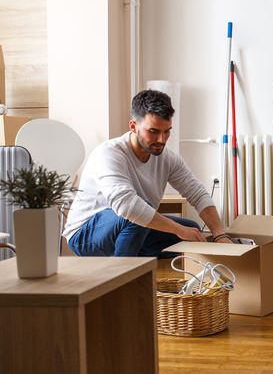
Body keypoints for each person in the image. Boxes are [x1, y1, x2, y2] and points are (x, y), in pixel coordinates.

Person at [63, 89, 232, 257]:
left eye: (167, 131)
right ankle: (122, 277)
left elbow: (197, 193)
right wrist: (179, 230)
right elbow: (128, 206)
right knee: (138, 214)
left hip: (131, 227)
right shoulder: (108, 153)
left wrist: (219, 234)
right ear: (133, 126)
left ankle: (134, 257)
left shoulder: (167, 158)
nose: (161, 140)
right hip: (84, 234)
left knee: (192, 230)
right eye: (153, 131)